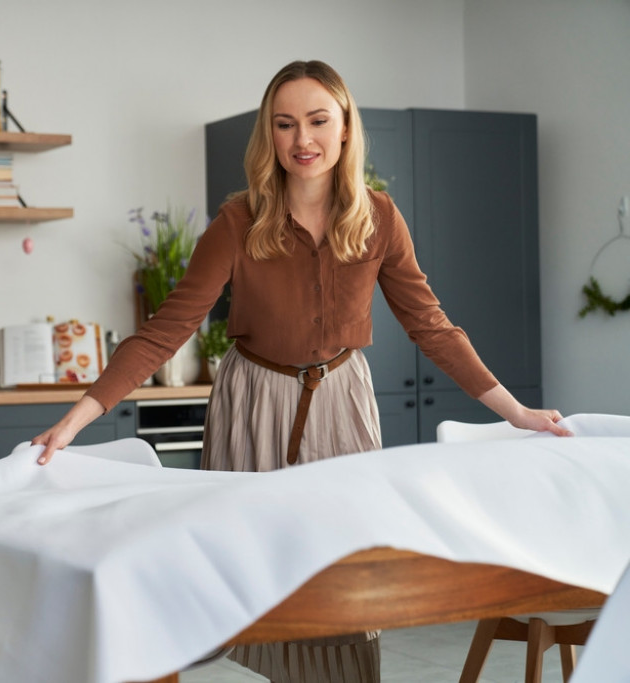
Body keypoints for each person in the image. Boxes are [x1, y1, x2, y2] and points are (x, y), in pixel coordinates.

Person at [32, 60, 571, 683]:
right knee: (257, 582)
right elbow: (167, 327)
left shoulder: (379, 219)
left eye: (318, 121)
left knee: (343, 579)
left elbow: (432, 327)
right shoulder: (238, 222)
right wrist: (76, 420)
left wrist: (519, 413)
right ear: (269, 135)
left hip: (342, 399)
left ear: (345, 130)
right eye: (284, 124)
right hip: (254, 399)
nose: (302, 140)